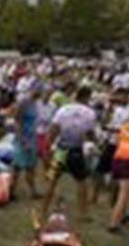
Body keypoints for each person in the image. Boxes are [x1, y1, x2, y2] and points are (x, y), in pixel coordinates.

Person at [41, 85, 99, 218]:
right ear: (86, 97)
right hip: (76, 150)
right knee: (82, 182)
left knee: (52, 181)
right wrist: (95, 143)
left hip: (61, 150)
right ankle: (84, 213)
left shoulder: (63, 110)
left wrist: (47, 150)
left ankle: (43, 210)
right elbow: (90, 134)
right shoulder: (89, 113)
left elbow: (53, 131)